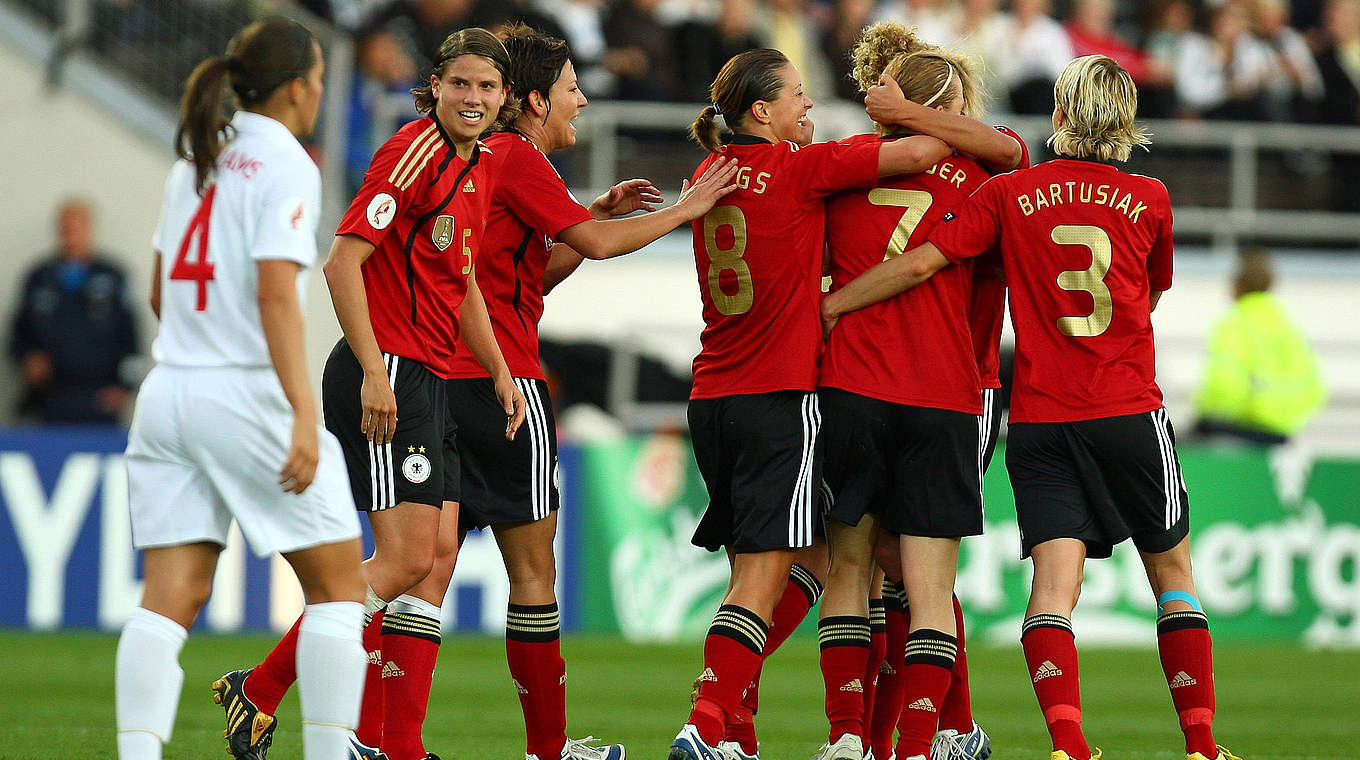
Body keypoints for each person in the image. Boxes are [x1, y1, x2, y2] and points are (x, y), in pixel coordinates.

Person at [822, 54, 1241, 760]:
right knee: (1172, 577)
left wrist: (832, 304)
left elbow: (924, 261)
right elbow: (1152, 289)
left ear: (1059, 117)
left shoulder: (1012, 193)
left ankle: (1068, 745)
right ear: (1127, 125)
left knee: (1052, 592)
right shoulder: (1152, 199)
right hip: (1129, 409)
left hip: (1042, 420)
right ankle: (1201, 745)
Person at [217, 27, 527, 760]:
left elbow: (464, 282)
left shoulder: (478, 165)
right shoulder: (413, 150)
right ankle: (260, 691)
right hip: (386, 372)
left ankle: (359, 730)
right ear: (437, 86)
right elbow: (341, 263)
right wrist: (377, 372)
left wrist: (498, 368)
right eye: (462, 85)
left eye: (488, 87)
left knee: (425, 558)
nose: (474, 99)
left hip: (427, 376)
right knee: (403, 560)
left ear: (505, 97)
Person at [437, 24, 738, 760]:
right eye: (572, 89)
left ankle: (321, 708)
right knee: (533, 575)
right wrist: (683, 211)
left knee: (421, 570)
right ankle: (549, 750)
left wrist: (586, 221)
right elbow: (598, 249)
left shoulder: (491, 159)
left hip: (444, 379)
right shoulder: (519, 156)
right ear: (535, 99)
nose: (581, 103)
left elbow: (522, 280)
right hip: (505, 386)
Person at [666, 47, 961, 760]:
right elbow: (927, 146)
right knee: (772, 576)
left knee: (770, 568)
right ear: (761, 111)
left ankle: (736, 736)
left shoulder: (710, 174)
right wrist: (898, 111)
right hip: (779, 397)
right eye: (798, 96)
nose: (809, 108)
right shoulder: (800, 169)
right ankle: (705, 727)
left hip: (712, 397)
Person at [114, 17, 368, 760]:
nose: (320, 90)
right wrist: (300, 413)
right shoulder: (287, 163)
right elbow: (276, 296)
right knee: (339, 588)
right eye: (319, 78)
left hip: (168, 394)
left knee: (170, 598)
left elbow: (163, 291)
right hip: (244, 393)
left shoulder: (196, 158)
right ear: (298, 88)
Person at [814, 23, 1025, 760]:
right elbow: (1008, 148)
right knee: (928, 588)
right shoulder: (986, 185)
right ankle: (920, 743)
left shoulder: (841, 171)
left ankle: (847, 737)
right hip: (948, 393)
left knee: (851, 569)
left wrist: (832, 305)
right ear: (953, 104)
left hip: (850, 388)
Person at [9, 199, 139, 424]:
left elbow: (131, 336)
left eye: (77, 228)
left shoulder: (112, 276)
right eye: (66, 228)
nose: (71, 235)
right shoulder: (40, 277)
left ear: (89, 229)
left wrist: (125, 387)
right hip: (50, 396)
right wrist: (27, 359)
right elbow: (19, 333)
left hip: (99, 395)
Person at [1193, 247, 1326, 445]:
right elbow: (1315, 388)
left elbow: (1225, 383)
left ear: (1236, 286)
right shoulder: (1288, 326)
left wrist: (1206, 413)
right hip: (1281, 431)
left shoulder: (1234, 323)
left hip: (1241, 427)